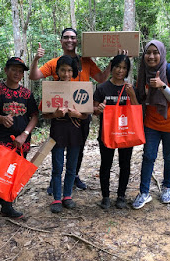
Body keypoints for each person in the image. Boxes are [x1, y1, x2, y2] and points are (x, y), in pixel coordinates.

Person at [29, 28, 111, 191]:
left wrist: (113, 61)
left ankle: (74, 176)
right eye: (66, 37)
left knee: (78, 148)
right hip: (61, 115)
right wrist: (36, 59)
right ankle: (55, 181)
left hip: (82, 113)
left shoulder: (86, 61)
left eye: (73, 38)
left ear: (77, 41)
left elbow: (101, 78)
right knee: (57, 150)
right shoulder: (55, 63)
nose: (70, 40)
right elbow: (34, 76)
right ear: (61, 41)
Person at [0, 57, 38, 237]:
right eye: (14, 70)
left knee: (13, 175)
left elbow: (34, 117)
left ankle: (7, 207)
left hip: (22, 143)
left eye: (20, 71)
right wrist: (2, 119)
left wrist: (25, 134)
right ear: (6, 70)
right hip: (3, 141)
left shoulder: (26, 94)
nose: (17, 74)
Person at [132, 40, 170, 210]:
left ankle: (167, 187)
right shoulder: (143, 73)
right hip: (152, 123)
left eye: (155, 52)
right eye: (148, 52)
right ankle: (144, 192)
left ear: (161, 53)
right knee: (148, 156)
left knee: (169, 156)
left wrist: (162, 86)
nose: (151, 56)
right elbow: (140, 98)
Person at [42, 55, 88, 213]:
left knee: (71, 166)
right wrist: (55, 114)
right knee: (57, 166)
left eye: (69, 70)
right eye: (63, 70)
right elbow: (44, 113)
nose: (66, 74)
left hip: (75, 132)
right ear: (57, 71)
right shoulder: (51, 88)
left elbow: (86, 113)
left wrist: (78, 114)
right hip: (58, 132)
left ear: (74, 71)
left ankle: (67, 196)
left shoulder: (80, 88)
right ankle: (56, 197)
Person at [93, 55, 138, 209]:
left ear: (127, 70)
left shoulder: (130, 88)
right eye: (118, 66)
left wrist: (132, 95)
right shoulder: (102, 88)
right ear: (112, 67)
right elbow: (93, 110)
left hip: (126, 132)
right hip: (107, 133)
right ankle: (105, 196)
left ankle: (121, 196)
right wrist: (98, 109)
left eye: (124, 68)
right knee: (106, 164)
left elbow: (137, 110)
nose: (120, 70)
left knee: (125, 164)